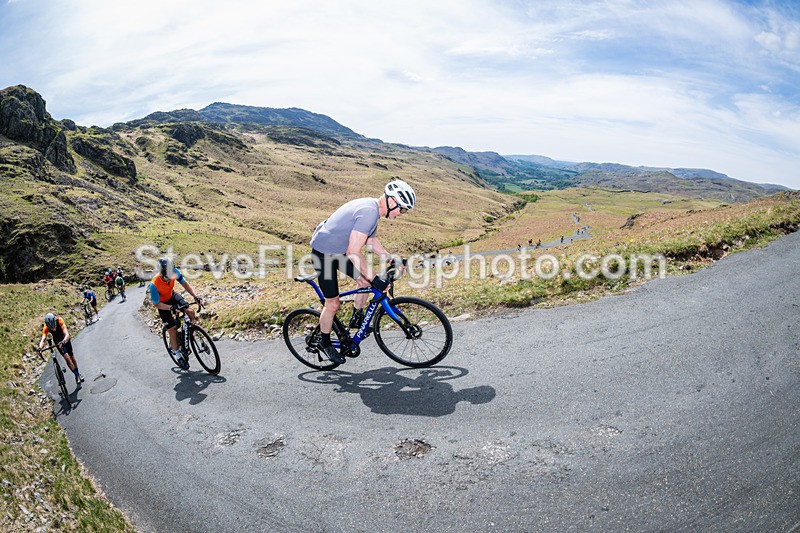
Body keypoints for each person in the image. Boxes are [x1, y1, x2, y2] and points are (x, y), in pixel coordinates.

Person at [310, 179, 415, 364]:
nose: (402, 214)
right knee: (333, 304)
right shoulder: (369, 212)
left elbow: (371, 241)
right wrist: (375, 279)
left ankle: (357, 318)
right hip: (324, 254)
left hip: (337, 250)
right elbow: (352, 252)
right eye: (402, 209)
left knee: (365, 282)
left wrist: (389, 257)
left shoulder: (373, 211)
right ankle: (324, 343)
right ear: (392, 202)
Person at [150, 258, 202, 367]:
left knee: (190, 312)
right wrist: (170, 308)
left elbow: (184, 283)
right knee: (172, 330)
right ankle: (177, 354)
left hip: (172, 296)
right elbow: (156, 304)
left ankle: (187, 332)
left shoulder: (174, 272)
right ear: (161, 274)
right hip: (163, 304)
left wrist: (195, 296)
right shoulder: (154, 284)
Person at [39, 313, 84, 384]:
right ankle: (76, 375)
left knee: (71, 356)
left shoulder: (59, 320)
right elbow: (43, 339)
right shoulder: (46, 327)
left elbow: (66, 334)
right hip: (57, 341)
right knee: (67, 358)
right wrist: (40, 348)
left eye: (54, 327)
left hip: (65, 339)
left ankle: (78, 372)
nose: (53, 329)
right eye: (51, 328)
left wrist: (64, 342)